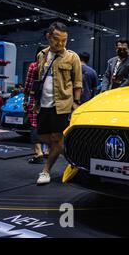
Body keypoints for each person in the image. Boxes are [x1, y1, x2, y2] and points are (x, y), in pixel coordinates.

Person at [34, 22, 83, 185]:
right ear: (48, 37)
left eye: (64, 40)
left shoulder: (72, 57)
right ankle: (67, 151)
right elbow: (40, 78)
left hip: (62, 104)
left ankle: (46, 170)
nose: (61, 44)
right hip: (43, 104)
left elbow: (77, 83)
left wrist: (76, 103)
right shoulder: (41, 55)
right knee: (42, 136)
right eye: (57, 40)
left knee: (57, 137)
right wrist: (34, 100)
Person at [24, 45, 50, 164]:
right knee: (48, 124)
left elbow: (28, 85)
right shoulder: (52, 66)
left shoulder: (33, 66)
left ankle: (38, 152)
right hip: (50, 100)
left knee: (35, 124)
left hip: (36, 100)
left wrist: (25, 100)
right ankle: (48, 150)